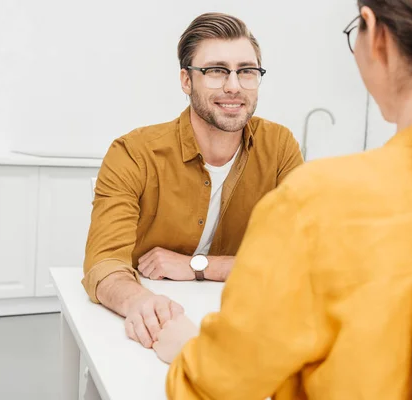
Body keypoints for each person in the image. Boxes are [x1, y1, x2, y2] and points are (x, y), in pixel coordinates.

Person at [153, 0, 412, 399]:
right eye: (218, 71)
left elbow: (214, 390)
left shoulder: (314, 206)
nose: (233, 85)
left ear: (375, 35)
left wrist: (186, 349)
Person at [82, 12, 303, 350]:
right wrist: (139, 303)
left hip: (241, 326)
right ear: (186, 81)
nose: (233, 85)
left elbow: (299, 258)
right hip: (155, 322)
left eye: (246, 71)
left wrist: (197, 266)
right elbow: (104, 263)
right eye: (215, 71)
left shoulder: (280, 146)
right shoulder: (133, 153)